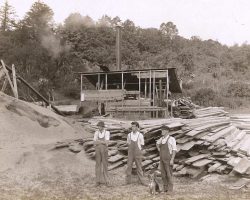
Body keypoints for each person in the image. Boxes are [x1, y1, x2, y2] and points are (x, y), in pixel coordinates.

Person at [156, 125, 177, 194]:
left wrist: (172, 159)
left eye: (163, 130)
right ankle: (165, 189)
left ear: (167, 131)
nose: (162, 131)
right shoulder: (161, 139)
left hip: (168, 159)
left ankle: (170, 189)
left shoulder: (171, 139)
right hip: (162, 159)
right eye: (161, 130)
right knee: (163, 174)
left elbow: (174, 150)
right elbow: (157, 144)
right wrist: (159, 149)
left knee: (169, 174)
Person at [126, 121, 147, 186]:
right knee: (129, 166)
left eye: (134, 126)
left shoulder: (140, 135)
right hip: (130, 153)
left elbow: (142, 145)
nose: (133, 128)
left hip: (138, 153)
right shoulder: (129, 135)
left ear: (137, 127)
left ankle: (142, 181)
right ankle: (128, 181)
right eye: (132, 126)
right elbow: (128, 143)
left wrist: (140, 151)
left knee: (139, 167)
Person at [93, 121, 110, 186]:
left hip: (104, 150)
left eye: (100, 126)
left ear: (103, 127)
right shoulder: (96, 132)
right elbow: (94, 142)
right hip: (98, 150)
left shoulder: (107, 132)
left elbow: (106, 142)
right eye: (98, 126)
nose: (99, 127)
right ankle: (97, 181)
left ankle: (107, 181)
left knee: (105, 164)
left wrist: (99, 141)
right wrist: (102, 141)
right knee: (98, 165)